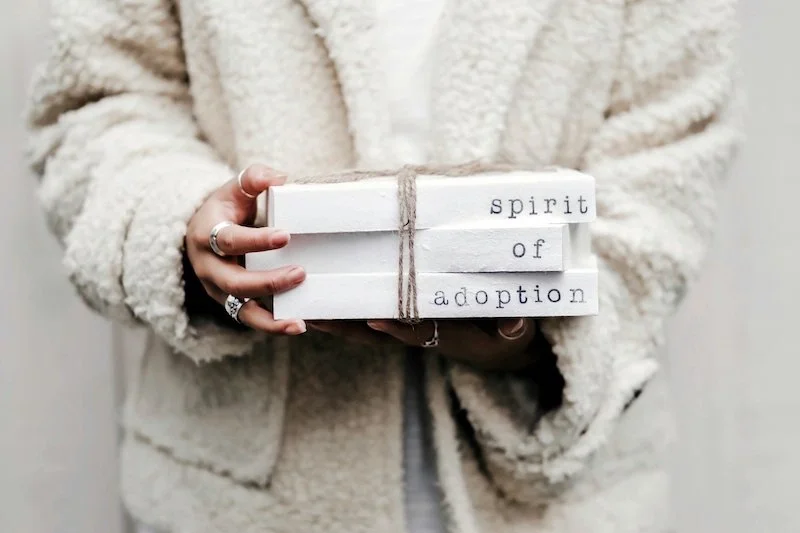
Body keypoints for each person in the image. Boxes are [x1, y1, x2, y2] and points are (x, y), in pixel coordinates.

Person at [26, 0, 741, 531]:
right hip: (236, 490)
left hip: (560, 496)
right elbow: (98, 98)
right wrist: (182, 226)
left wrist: (545, 337)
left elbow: (670, 151)